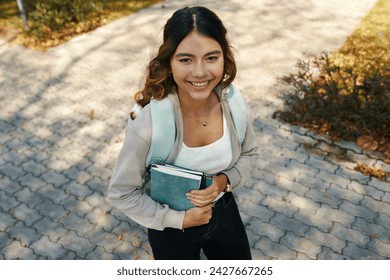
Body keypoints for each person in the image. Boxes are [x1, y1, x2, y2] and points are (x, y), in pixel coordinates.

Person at [108, 6, 259, 260]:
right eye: (185, 59)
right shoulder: (148, 125)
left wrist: (223, 181)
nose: (200, 72)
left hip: (224, 213)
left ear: (225, 58)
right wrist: (178, 219)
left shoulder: (234, 103)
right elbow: (121, 192)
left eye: (211, 58)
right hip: (170, 228)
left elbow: (251, 154)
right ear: (168, 62)